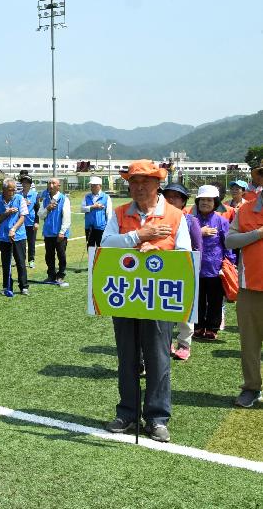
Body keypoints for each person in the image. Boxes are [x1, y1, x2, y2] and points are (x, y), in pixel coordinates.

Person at [101, 160, 191, 443]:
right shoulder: (118, 213)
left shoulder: (176, 215)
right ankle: (127, 412)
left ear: (157, 185)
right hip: (126, 296)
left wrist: (158, 253)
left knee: (158, 358)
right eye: (134, 182)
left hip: (159, 299)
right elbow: (106, 244)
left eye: (145, 182)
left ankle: (157, 417)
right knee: (127, 357)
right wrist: (139, 237)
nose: (138, 187)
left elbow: (186, 256)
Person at [225, 165, 263, 408]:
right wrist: (258, 233)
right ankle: (251, 388)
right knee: (249, 343)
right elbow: (229, 239)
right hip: (250, 288)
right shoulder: (247, 209)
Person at [161, 183, 203, 361]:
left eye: (176, 197)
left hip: (184, 270)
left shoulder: (190, 220)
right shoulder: (157, 218)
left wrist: (194, 269)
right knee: (164, 308)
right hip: (161, 271)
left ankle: (184, 343)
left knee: (184, 309)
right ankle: (165, 341)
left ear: (183, 201)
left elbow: (198, 245)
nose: (171, 200)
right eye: (168, 196)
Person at [191, 185, 234, 341]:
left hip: (215, 268)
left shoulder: (222, 221)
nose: (205, 203)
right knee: (198, 299)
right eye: (202, 200)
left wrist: (228, 262)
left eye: (209, 200)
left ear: (215, 202)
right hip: (195, 267)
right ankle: (198, 326)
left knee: (215, 300)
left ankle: (212, 327)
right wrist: (200, 232)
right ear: (197, 201)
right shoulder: (191, 220)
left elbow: (227, 243)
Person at [0, 178, 30, 296]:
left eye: (14, 190)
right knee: (6, 263)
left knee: (20, 261)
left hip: (18, 236)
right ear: (4, 189)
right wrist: (7, 213)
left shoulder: (19, 199)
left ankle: (24, 286)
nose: (13, 192)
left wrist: (13, 229)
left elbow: (23, 216)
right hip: (3, 237)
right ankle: (7, 286)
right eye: (10, 190)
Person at [37, 177, 72, 287]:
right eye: (49, 183)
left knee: (61, 255)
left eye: (53, 183)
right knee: (49, 256)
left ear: (58, 186)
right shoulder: (46, 199)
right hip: (48, 233)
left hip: (60, 233)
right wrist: (47, 208)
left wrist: (62, 232)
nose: (50, 185)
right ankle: (51, 275)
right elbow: (40, 215)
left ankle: (60, 275)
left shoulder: (64, 199)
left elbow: (67, 217)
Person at [83, 176, 112, 248]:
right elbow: (82, 209)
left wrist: (108, 228)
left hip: (101, 227)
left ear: (100, 186)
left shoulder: (106, 197)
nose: (92, 187)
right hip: (89, 227)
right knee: (90, 248)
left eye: (94, 185)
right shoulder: (86, 196)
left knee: (101, 248)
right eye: (91, 185)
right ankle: (91, 259)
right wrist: (93, 207)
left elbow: (109, 213)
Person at [19, 175, 39, 268]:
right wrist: (23, 204)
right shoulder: (18, 195)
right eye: (23, 182)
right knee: (21, 243)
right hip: (20, 223)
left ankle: (31, 260)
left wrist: (36, 222)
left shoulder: (35, 195)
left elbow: (37, 209)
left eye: (27, 182)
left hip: (31, 222)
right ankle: (21, 260)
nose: (25, 184)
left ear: (30, 184)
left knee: (31, 243)